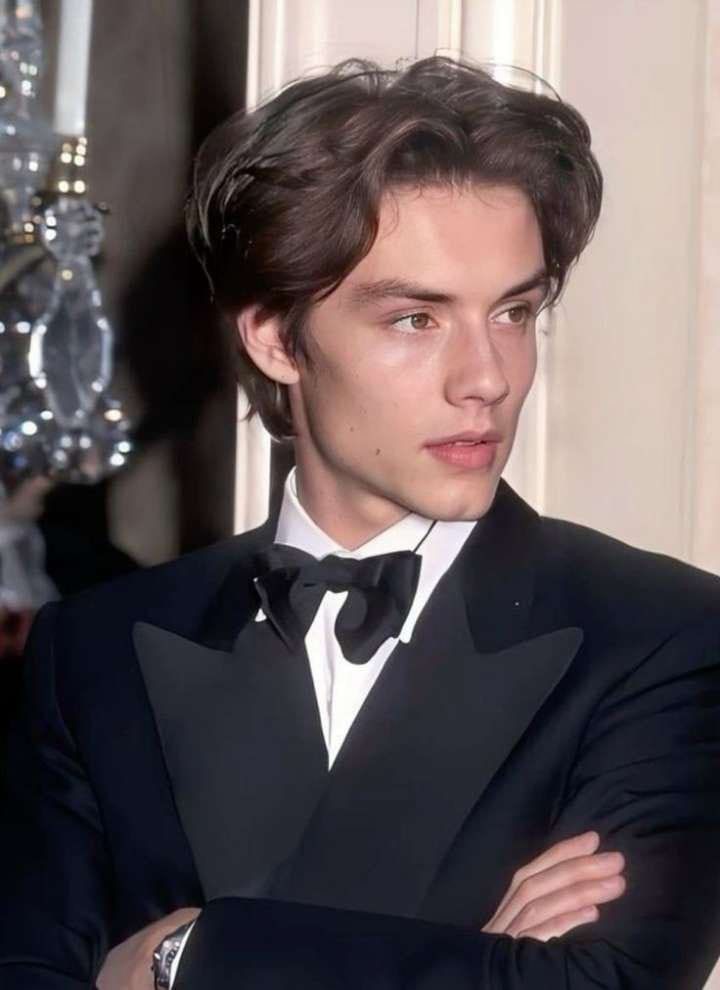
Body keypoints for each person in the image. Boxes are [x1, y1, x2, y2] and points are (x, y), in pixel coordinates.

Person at [1, 56, 719, 990]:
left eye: (514, 311)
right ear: (273, 336)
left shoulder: (664, 634)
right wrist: (472, 961)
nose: (488, 378)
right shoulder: (93, 651)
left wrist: (191, 955)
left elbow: (608, 985)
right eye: (417, 319)